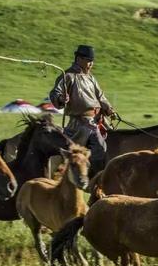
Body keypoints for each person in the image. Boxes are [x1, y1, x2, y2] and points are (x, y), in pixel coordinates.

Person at [49, 45, 115, 177]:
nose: (91, 64)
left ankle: (94, 176)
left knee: (113, 140)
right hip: (79, 124)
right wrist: (62, 98)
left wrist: (109, 108)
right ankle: (93, 178)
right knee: (98, 149)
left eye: (92, 61)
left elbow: (100, 96)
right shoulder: (68, 76)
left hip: (96, 120)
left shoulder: (91, 78)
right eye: (88, 60)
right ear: (78, 59)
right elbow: (55, 93)